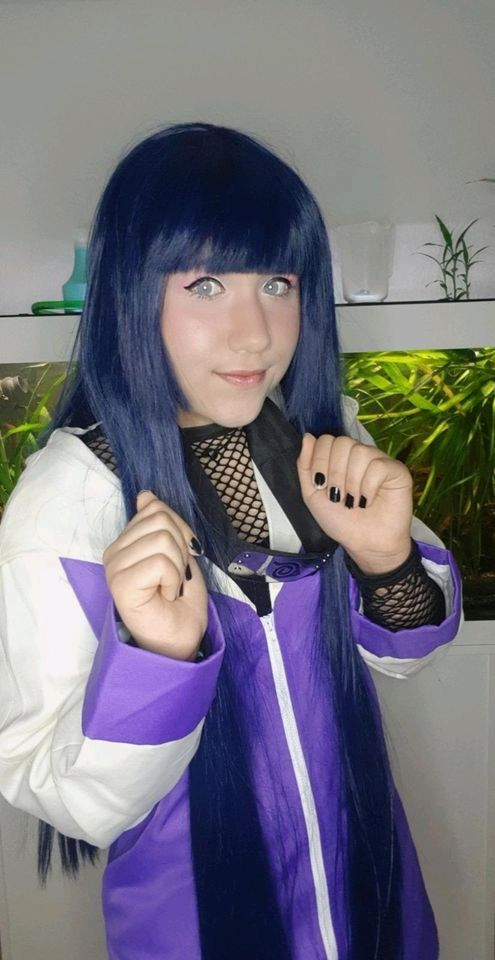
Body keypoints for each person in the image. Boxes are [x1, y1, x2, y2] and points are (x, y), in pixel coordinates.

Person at [0, 122, 461, 960]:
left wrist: (385, 561)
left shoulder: (318, 435)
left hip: (373, 890)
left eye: (277, 282)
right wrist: (159, 656)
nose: (255, 333)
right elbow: (66, 798)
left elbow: (403, 655)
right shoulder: (68, 500)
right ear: (130, 292)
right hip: (197, 925)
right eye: (206, 284)